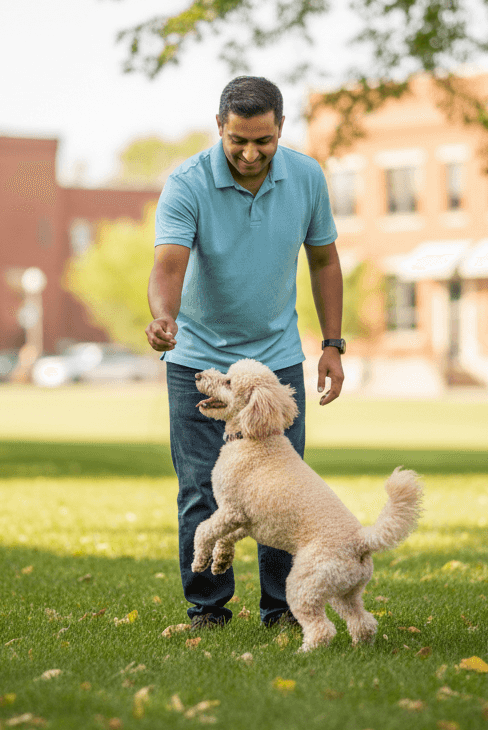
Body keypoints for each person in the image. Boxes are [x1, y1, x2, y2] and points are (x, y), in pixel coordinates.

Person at [145, 75, 347, 630]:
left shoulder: (305, 177)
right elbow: (168, 265)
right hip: (199, 359)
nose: (251, 153)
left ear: (280, 129)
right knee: (198, 490)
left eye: (264, 140)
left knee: (283, 488)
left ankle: (282, 610)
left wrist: (332, 344)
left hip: (275, 361)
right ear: (220, 128)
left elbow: (325, 262)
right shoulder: (187, 183)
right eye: (239, 140)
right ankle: (207, 610)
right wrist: (164, 316)